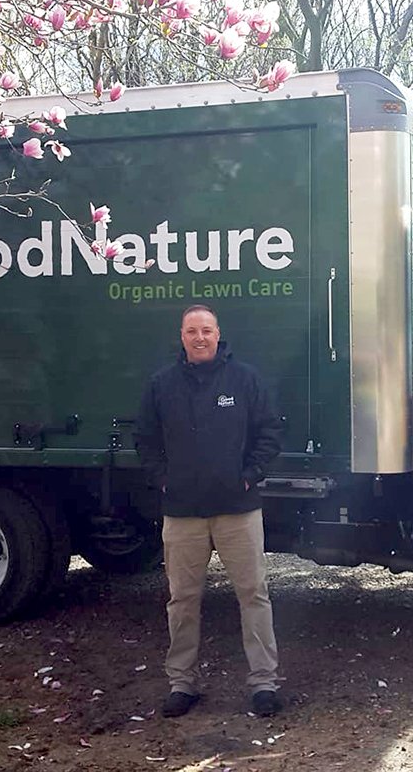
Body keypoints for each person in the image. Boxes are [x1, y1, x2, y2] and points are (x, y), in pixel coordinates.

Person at [135, 304, 284, 718]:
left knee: (253, 595)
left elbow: (270, 431)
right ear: (181, 337)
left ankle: (263, 683)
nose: (199, 338)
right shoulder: (161, 385)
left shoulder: (245, 380)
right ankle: (182, 683)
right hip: (182, 512)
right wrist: (163, 479)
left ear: (219, 335)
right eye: (191, 332)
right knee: (182, 599)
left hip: (237, 509)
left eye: (206, 330)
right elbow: (145, 439)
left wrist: (250, 475)